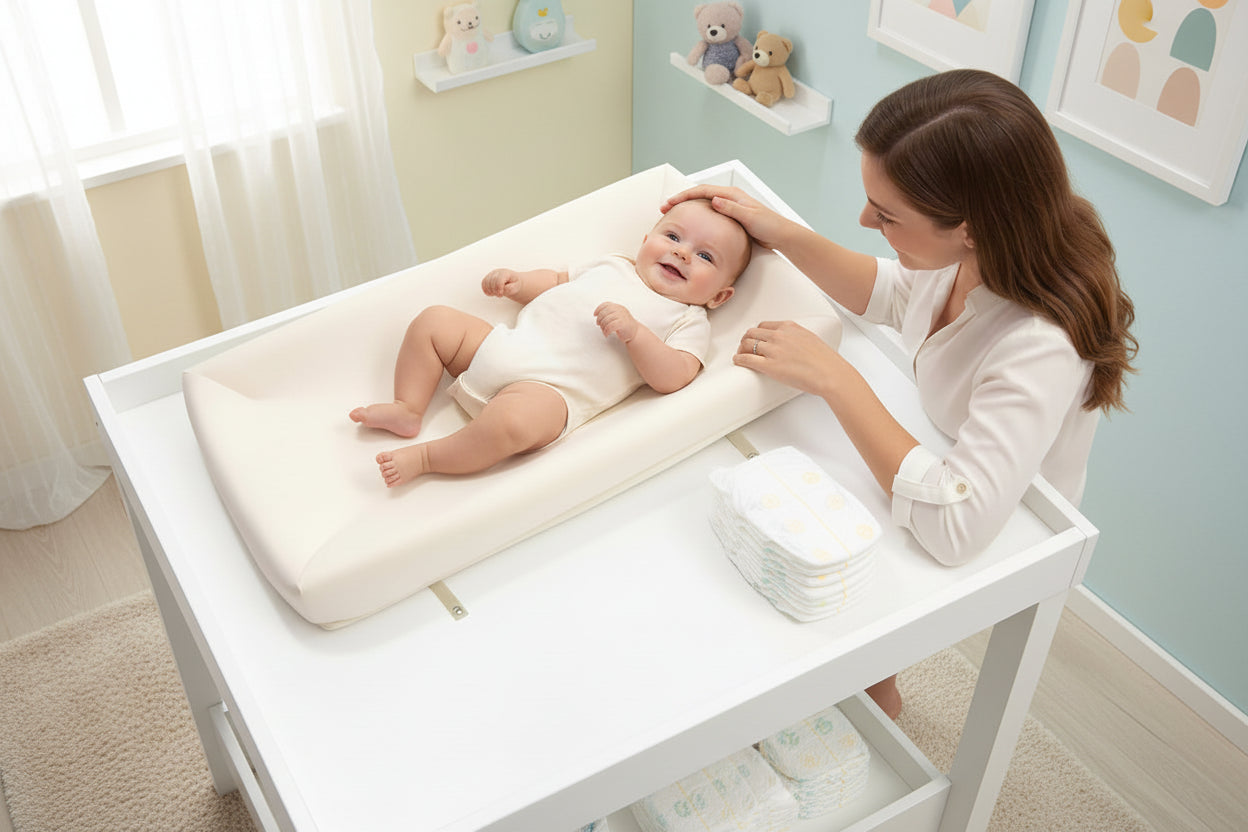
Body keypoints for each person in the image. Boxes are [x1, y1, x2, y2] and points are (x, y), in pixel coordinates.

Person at [663, 69, 1137, 719]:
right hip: (936, 443)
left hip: (995, 512)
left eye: (886, 215)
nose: (863, 221)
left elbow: (956, 527)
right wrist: (779, 231)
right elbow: (895, 295)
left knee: (812, 550)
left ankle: (866, 694)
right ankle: (869, 684)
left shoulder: (1038, 346)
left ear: (971, 227)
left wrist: (836, 378)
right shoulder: (985, 250)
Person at [350, 198, 752, 487]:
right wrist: (518, 283)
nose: (681, 253)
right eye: (673, 236)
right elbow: (558, 280)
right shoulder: (613, 264)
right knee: (434, 321)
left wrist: (637, 335)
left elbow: (675, 375)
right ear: (646, 239)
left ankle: (428, 457)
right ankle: (408, 406)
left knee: (510, 424)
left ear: (719, 296)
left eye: (705, 257)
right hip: (502, 346)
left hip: (547, 393)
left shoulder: (688, 318)